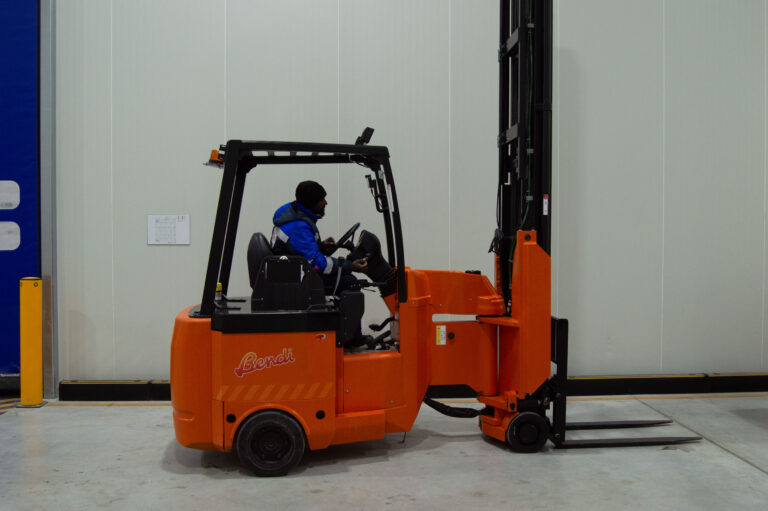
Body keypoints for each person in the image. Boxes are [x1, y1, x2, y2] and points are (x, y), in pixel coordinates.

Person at [271, 180, 368, 292]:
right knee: (350, 282)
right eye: (322, 199)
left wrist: (321, 247)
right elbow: (317, 263)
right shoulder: (298, 226)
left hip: (292, 269)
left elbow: (301, 251)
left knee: (346, 279)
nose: (325, 203)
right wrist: (350, 266)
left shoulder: (296, 217)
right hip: (294, 276)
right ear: (312, 202)